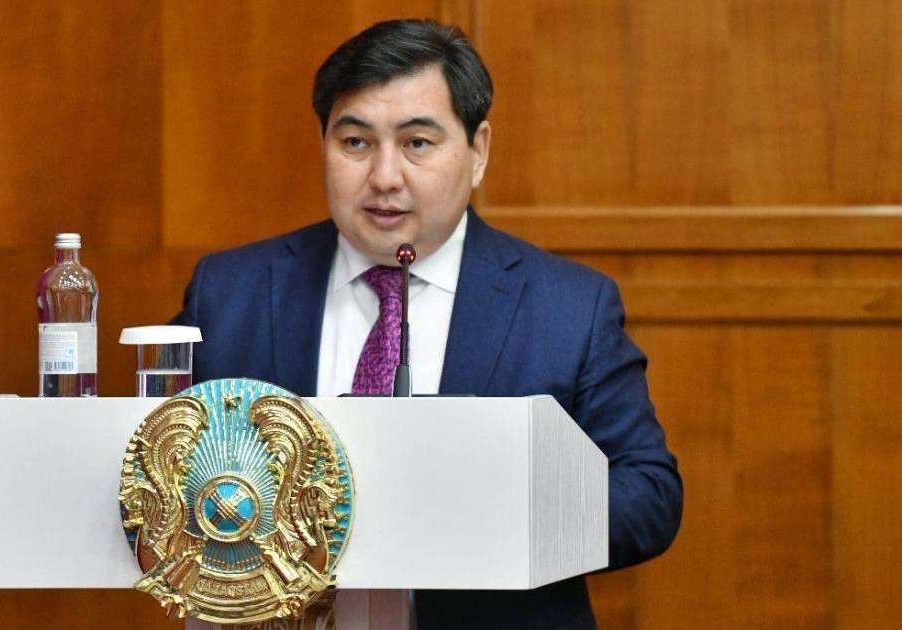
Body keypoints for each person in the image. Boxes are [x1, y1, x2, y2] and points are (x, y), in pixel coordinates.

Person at [171, 19, 682, 629]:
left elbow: (648, 495)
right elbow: (150, 471)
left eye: (417, 143)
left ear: (478, 151)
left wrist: (490, 517)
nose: (385, 176)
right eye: (355, 142)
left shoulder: (568, 307)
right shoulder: (231, 293)